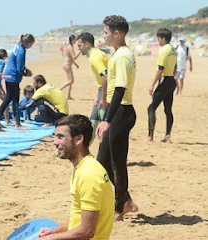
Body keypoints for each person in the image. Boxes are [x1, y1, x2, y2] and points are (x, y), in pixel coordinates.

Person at [37, 114, 114, 240]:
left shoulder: (89, 174)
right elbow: (80, 222)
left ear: (78, 139)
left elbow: (87, 231)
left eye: (60, 137)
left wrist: (49, 239)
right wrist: (53, 232)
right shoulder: (83, 167)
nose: (54, 143)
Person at [96, 15, 138, 221]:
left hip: (122, 112)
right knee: (102, 161)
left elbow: (120, 89)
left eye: (105, 32)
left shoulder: (122, 57)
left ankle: (119, 209)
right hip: (117, 111)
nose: (103, 36)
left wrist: (106, 120)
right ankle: (127, 200)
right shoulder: (120, 53)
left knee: (117, 163)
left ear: (117, 33)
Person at [0, 33, 35, 131]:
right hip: (13, 77)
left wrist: (25, 69)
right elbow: (19, 68)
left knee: (8, 99)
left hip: (9, 75)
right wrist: (27, 73)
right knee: (15, 100)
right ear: (26, 42)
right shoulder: (21, 50)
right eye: (31, 44)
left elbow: (18, 63)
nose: (31, 46)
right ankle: (18, 124)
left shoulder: (18, 46)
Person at [76, 32, 109, 144]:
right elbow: (101, 79)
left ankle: (105, 155)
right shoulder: (97, 53)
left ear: (88, 44)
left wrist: (103, 98)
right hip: (101, 91)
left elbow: (105, 76)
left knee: (104, 125)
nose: (79, 49)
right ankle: (84, 151)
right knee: (93, 122)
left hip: (106, 91)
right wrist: (97, 95)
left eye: (80, 46)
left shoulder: (94, 57)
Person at [147, 28, 177, 143]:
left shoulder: (163, 50)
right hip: (171, 81)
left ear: (163, 38)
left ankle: (150, 137)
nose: (158, 41)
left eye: (159, 38)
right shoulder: (173, 50)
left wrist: (152, 85)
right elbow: (175, 69)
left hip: (164, 81)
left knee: (151, 107)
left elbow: (160, 69)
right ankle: (168, 136)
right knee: (168, 109)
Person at [60, 35, 81, 100]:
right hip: (67, 64)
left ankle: (69, 95)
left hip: (67, 64)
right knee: (71, 81)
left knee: (70, 81)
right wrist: (79, 51)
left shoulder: (69, 46)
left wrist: (75, 64)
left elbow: (70, 58)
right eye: (75, 40)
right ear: (72, 40)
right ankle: (59, 90)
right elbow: (74, 57)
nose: (76, 41)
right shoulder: (70, 47)